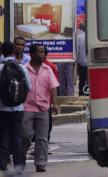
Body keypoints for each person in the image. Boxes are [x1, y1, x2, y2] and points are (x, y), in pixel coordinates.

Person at [23, 45, 60, 173]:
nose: (42, 54)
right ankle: (20, 159)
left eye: (43, 52)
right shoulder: (24, 69)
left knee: (42, 138)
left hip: (43, 108)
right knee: (26, 135)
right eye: (39, 52)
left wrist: (55, 104)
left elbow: (53, 87)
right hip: (27, 107)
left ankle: (41, 163)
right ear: (32, 54)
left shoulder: (47, 69)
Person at [0, 42, 31, 174]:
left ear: (2, 52)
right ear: (14, 52)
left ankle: (2, 163)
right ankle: (19, 164)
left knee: (2, 135)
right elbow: (29, 87)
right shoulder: (21, 68)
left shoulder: (0, 67)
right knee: (17, 136)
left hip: (2, 108)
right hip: (18, 108)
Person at [75, 23, 88, 96]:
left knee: (82, 80)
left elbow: (77, 50)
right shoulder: (90, 36)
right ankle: (88, 93)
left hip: (82, 62)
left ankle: (81, 94)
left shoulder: (79, 37)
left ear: (80, 28)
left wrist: (76, 60)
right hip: (90, 63)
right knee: (89, 80)